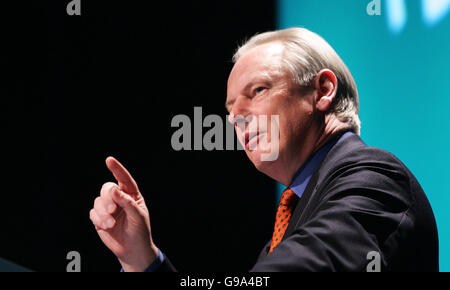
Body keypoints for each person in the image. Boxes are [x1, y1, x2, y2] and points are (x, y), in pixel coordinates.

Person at [89, 28, 439, 272]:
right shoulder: (295, 215)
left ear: (323, 90)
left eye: (257, 90)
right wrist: (142, 259)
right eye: (229, 110)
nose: (236, 117)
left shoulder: (375, 178)